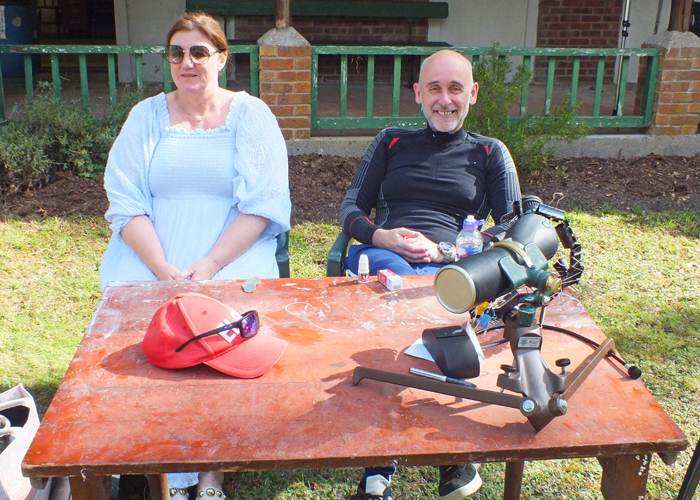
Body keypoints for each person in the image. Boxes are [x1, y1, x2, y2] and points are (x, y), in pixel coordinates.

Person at [99, 12, 291, 500]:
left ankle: (209, 473)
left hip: (230, 252)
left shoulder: (251, 116)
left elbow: (263, 205)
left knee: (217, 345)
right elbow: (126, 201)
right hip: (153, 251)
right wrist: (163, 269)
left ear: (222, 58)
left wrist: (206, 268)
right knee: (148, 347)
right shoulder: (145, 116)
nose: (188, 62)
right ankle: (151, 454)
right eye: (177, 53)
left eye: (199, 52)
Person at [340, 50, 522, 500]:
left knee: (442, 298)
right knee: (404, 297)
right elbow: (350, 211)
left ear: (472, 94)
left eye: (455, 88)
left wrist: (444, 250)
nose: (445, 100)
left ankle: (406, 458)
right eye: (435, 89)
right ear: (419, 94)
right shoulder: (391, 141)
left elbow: (513, 227)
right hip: (388, 262)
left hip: (454, 268)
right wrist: (382, 237)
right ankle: (419, 455)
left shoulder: (489, 152)